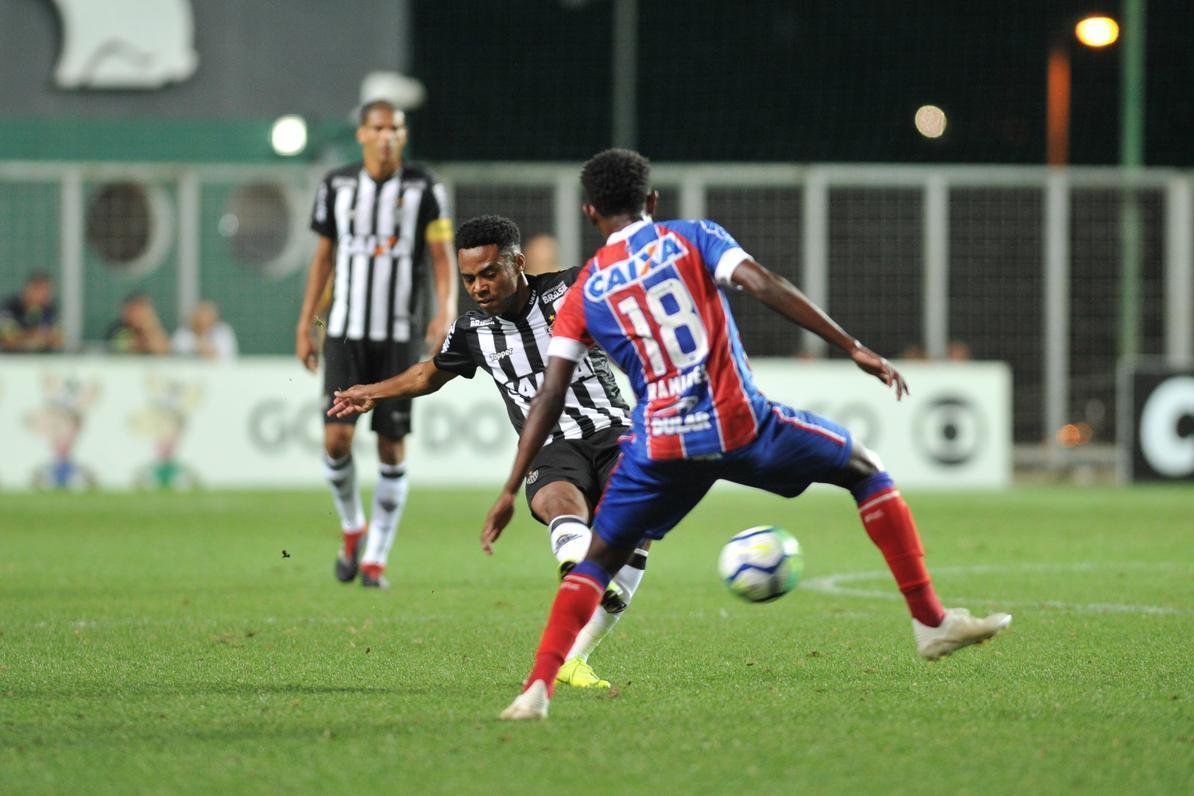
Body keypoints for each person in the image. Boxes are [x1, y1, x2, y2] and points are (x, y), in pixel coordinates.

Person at [483, 149, 1012, 720]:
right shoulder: (691, 238)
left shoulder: (584, 291)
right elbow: (764, 284)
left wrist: (512, 487)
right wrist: (852, 346)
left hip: (661, 445)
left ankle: (536, 691)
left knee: (597, 562)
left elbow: (549, 393)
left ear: (590, 212)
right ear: (652, 202)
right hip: (738, 423)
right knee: (864, 467)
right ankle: (930, 621)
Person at [327, 215, 648, 689]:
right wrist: (372, 391)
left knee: (636, 520)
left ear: (517, 263)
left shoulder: (571, 289)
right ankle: (580, 561)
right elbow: (426, 375)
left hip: (612, 431)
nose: (478, 287)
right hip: (548, 447)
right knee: (559, 501)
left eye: (489, 273)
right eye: (469, 278)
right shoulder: (471, 330)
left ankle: (576, 655)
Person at [295, 99, 457, 589]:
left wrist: (445, 310)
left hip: (399, 332)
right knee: (336, 438)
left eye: (395, 128)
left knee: (391, 447)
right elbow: (323, 257)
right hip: (344, 329)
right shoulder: (337, 186)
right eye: (378, 128)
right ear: (361, 134)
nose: (387, 136)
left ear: (403, 137)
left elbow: (441, 256)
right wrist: (308, 321)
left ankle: (377, 558)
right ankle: (352, 527)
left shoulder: (425, 187)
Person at [0, 272, 62, 353]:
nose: (46, 295)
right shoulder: (11, 307)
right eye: (42, 290)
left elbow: (56, 340)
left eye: (48, 291)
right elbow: (8, 341)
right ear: (29, 290)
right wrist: (32, 338)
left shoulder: (49, 309)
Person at [171, 300, 238, 360]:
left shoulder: (223, 332)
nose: (203, 322)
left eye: (207, 318)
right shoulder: (183, 333)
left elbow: (228, 354)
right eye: (200, 318)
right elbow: (175, 351)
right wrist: (197, 346)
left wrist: (210, 350)